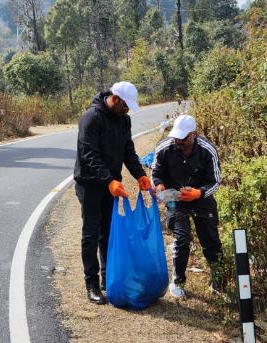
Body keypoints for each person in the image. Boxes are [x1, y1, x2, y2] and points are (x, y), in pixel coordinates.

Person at [74, 81, 151, 304]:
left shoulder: (123, 120)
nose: (128, 111)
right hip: (89, 184)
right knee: (90, 233)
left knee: (107, 232)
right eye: (126, 106)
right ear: (115, 99)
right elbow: (89, 154)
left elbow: (128, 150)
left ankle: (110, 278)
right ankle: (92, 284)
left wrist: (139, 174)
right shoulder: (91, 118)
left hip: (111, 185)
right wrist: (109, 180)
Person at [151, 114, 224, 298]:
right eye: (177, 137)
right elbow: (156, 172)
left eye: (183, 138)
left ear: (195, 134)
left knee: (211, 241)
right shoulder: (165, 147)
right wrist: (159, 186)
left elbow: (215, 181)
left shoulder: (208, 150)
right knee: (182, 238)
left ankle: (218, 281)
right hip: (175, 198)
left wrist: (199, 193)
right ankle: (177, 281)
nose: (179, 141)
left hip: (201, 197)